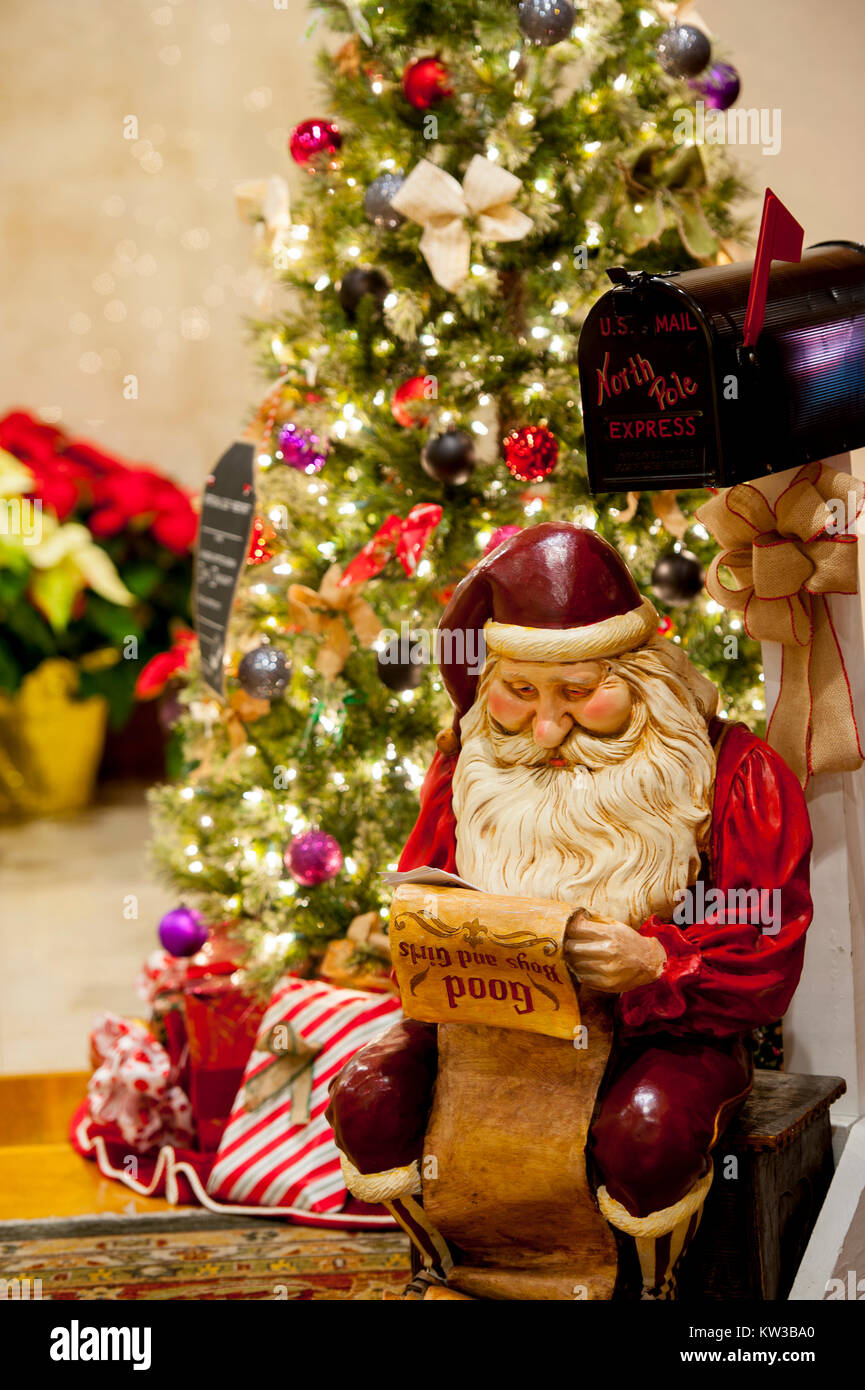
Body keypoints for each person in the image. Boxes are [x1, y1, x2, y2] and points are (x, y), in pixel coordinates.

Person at [327, 522, 813, 1298]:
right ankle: (446, 1272)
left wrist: (656, 961)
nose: (547, 728)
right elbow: (418, 895)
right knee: (369, 1095)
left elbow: (764, 943)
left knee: (646, 1131)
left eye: (581, 693)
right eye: (519, 692)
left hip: (659, 1026)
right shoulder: (468, 762)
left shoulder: (733, 774)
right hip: (485, 1028)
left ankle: (650, 1289)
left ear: (643, 677)